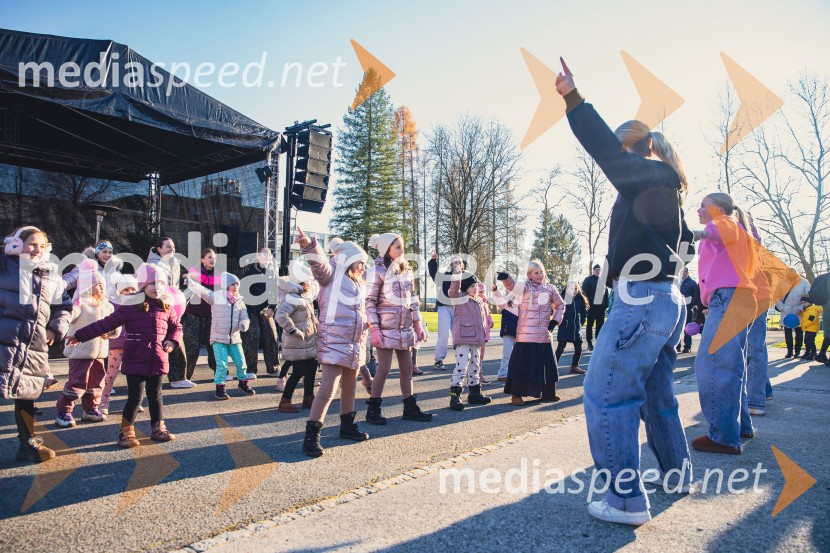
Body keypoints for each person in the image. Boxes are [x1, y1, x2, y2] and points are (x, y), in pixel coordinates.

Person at [556, 62, 694, 526]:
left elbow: (602, 149)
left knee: (607, 394)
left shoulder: (646, 175)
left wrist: (573, 97)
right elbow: (686, 246)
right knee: (656, 394)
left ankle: (624, 500)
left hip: (642, 300)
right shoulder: (667, 185)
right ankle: (676, 472)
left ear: (630, 148)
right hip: (665, 299)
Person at [70, 263, 181, 447]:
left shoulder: (166, 307)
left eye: (162, 284)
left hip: (158, 359)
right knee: (135, 398)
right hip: (136, 359)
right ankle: (126, 432)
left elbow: (176, 327)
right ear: (143, 285)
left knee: (156, 396)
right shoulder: (131, 306)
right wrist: (80, 335)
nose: (158, 288)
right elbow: (106, 323)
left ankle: (158, 428)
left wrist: (172, 341)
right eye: (154, 284)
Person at [693, 192, 758, 455]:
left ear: (718, 209)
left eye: (703, 206)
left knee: (712, 364)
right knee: (731, 366)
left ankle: (722, 435)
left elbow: (718, 231)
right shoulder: (739, 229)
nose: (698, 210)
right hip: (736, 298)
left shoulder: (724, 223)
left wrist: (690, 234)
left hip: (729, 297)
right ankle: (740, 427)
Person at [296, 228, 370, 457]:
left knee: (350, 386)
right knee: (327, 389)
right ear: (347, 260)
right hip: (334, 341)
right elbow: (318, 264)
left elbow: (359, 311)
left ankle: (347, 426)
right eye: (360, 262)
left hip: (354, 342)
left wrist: (366, 324)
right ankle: (311, 436)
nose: (363, 267)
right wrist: (309, 245)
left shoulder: (359, 283)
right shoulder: (331, 276)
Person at [0, 226, 72, 463]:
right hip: (4, 343)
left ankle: (29, 446)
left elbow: (64, 306)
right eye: (32, 244)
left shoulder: (51, 275)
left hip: (31, 348)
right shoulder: (4, 266)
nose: (37, 249)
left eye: (42, 245)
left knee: (25, 400)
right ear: (16, 244)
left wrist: (55, 328)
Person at [365, 232, 432, 425]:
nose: (402, 250)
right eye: (398, 247)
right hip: (385, 328)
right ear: (386, 249)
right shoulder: (377, 270)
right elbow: (369, 302)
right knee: (383, 369)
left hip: (404, 327)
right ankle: (373, 409)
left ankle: (409, 407)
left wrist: (417, 323)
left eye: (402, 246)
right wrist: (374, 328)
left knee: (407, 368)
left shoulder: (406, 270)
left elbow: (413, 300)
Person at [56, 259, 118, 427]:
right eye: (98, 285)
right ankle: (64, 411)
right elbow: (68, 316)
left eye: (103, 285)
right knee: (77, 382)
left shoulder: (107, 306)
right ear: (87, 287)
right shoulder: (80, 304)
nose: (102, 288)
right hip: (81, 351)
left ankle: (90, 408)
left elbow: (115, 324)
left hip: (100, 352)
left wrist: (111, 332)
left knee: (96, 382)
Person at [498, 260, 565, 405]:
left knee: (547, 366)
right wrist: (506, 278)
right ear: (529, 275)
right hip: (526, 335)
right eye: (536, 273)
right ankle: (516, 395)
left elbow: (560, 305)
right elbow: (513, 286)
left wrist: (555, 321)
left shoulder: (551, 288)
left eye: (541, 272)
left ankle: (548, 393)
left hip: (544, 335)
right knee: (521, 367)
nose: (540, 275)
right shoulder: (525, 287)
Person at [185, 271, 254, 400]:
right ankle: (220, 388)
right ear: (226, 286)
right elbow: (203, 291)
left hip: (234, 338)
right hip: (218, 337)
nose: (235, 286)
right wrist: (191, 283)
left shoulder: (240, 301)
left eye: (237, 284)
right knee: (222, 365)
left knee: (241, 362)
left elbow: (245, 317)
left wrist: (244, 324)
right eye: (232, 284)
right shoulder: (216, 297)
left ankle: (243, 383)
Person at [169, 248, 217, 388]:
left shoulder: (218, 274)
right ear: (202, 259)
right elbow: (183, 277)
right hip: (193, 314)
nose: (212, 260)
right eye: (209, 257)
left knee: (214, 345)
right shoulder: (194, 271)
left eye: (214, 258)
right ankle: (185, 375)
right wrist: (185, 276)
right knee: (191, 345)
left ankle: (220, 372)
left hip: (211, 315)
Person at [274, 268, 319, 412]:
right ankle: (285, 400)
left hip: (308, 341)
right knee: (299, 371)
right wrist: (293, 330)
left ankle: (309, 397)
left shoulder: (303, 296)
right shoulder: (292, 297)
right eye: (309, 281)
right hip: (297, 342)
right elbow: (280, 315)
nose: (311, 283)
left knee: (312, 367)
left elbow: (310, 318)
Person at [447, 273, 492, 410]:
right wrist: (456, 277)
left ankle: (475, 393)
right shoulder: (460, 298)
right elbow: (453, 291)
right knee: (461, 367)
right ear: (464, 287)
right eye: (472, 286)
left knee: (475, 366)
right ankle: (454, 396)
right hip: (463, 338)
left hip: (476, 339)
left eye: (476, 285)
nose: (475, 288)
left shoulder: (479, 300)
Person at [100, 275, 143, 416]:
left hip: (135, 345)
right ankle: (103, 402)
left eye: (132, 289)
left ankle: (136, 401)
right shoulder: (113, 305)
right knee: (110, 374)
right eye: (126, 289)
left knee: (136, 374)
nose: (130, 292)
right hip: (117, 344)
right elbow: (107, 321)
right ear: (119, 291)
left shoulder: (141, 305)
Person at [242, 248, 280, 377]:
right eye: (264, 254)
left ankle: (273, 368)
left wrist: (272, 308)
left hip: (266, 310)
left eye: (269, 254)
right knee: (251, 339)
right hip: (251, 310)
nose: (267, 256)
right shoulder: (249, 272)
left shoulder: (273, 272)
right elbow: (243, 292)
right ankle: (251, 369)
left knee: (271, 338)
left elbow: (275, 292)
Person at [428, 252, 463, 370]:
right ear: (451, 265)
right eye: (455, 262)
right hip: (444, 307)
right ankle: (439, 360)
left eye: (459, 262)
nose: (457, 264)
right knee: (443, 335)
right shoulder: (446, 276)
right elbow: (434, 274)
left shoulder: (465, 277)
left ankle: (461, 359)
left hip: (459, 309)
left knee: (459, 334)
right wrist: (433, 261)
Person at [774, 273, 811, 358]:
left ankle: (797, 351)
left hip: (799, 311)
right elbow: (776, 296)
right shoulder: (781, 283)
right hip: (786, 310)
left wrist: (802, 307)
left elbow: (809, 295)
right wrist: (782, 307)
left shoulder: (804, 282)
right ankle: (789, 351)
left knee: (799, 331)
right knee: (787, 331)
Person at [556, 281, 588, 375]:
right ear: (566, 289)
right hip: (564, 328)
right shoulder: (562, 299)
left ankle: (574, 367)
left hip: (576, 329)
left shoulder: (580, 300)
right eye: (571, 289)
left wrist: (581, 323)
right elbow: (557, 311)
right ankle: (552, 367)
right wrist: (560, 322)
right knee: (560, 349)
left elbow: (584, 313)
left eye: (575, 289)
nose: (574, 291)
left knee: (578, 349)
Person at [581, 264, 608, 351]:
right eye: (596, 270)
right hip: (591, 307)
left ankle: (598, 341)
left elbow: (606, 293)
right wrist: (586, 304)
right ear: (593, 270)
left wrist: (606, 305)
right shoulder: (588, 280)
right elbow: (583, 293)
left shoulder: (603, 280)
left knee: (600, 325)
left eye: (599, 270)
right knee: (590, 325)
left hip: (601, 307)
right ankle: (589, 343)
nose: (598, 271)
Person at [495, 292, 518, 382]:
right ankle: (502, 374)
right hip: (508, 332)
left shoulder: (523, 304)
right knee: (507, 355)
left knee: (518, 355)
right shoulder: (504, 304)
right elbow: (498, 297)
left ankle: (515, 374)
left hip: (519, 333)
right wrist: (495, 290)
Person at [677, 267, 700, 353]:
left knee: (687, 329)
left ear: (687, 272)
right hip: (677, 309)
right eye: (681, 272)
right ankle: (677, 346)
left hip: (688, 309)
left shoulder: (692, 283)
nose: (683, 273)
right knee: (677, 328)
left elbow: (696, 296)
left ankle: (687, 347)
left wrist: (690, 304)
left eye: (684, 272)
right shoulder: (677, 282)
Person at [800, 296, 823, 360]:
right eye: (802, 303)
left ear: (809, 302)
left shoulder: (813, 310)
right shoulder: (808, 310)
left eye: (805, 302)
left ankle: (813, 353)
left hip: (812, 329)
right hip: (808, 328)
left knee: (810, 341)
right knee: (807, 341)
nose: (803, 304)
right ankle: (808, 352)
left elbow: (811, 320)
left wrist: (803, 325)